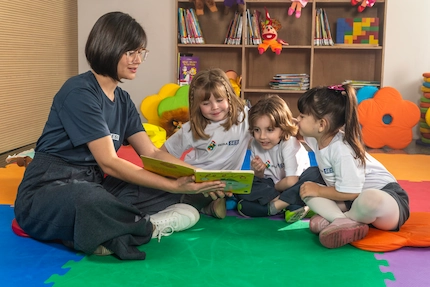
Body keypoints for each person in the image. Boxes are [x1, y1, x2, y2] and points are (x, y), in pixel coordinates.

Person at [13, 11, 226, 261]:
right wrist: (173, 184)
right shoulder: (78, 92)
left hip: (95, 182)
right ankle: (149, 226)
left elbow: (152, 153)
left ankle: (118, 226)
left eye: (141, 52)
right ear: (109, 48)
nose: (138, 60)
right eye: (131, 52)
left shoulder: (123, 100)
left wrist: (199, 176)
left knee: (151, 183)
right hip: (49, 188)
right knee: (91, 199)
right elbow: (109, 162)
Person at [297, 84, 410, 249]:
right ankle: (340, 219)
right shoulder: (317, 138)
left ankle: (342, 219)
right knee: (306, 189)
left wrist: (320, 190)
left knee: (368, 198)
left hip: (387, 203)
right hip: (352, 201)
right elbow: (296, 130)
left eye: (301, 116)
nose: (297, 120)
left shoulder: (341, 150)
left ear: (321, 124)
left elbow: (351, 192)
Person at [161, 68, 252, 219]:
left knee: (256, 191)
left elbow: (268, 127)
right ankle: (208, 206)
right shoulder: (191, 128)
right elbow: (161, 153)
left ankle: (210, 205)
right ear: (197, 104)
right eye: (206, 103)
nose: (215, 107)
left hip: (228, 185)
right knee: (176, 201)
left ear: (229, 96)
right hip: (198, 183)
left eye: (219, 100)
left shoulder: (244, 117)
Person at [235, 94, 323, 222]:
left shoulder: (289, 143)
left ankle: (275, 206)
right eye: (257, 130)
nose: (262, 136)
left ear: (282, 129)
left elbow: (292, 181)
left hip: (294, 184)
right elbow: (260, 179)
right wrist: (258, 171)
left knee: (315, 174)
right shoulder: (255, 143)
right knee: (242, 183)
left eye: (269, 130)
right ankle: (294, 205)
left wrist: (275, 191)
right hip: (273, 185)